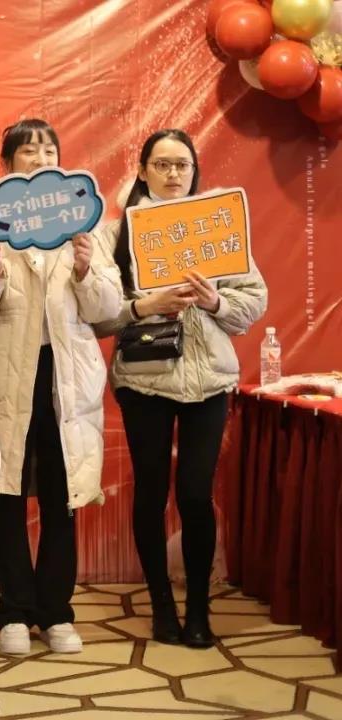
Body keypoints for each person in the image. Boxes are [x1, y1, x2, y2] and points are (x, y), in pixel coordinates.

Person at [93, 129, 267, 647]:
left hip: (208, 381)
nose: (173, 174)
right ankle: (162, 607)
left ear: (194, 170)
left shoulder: (216, 226)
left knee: (194, 494)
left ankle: (197, 611)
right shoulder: (116, 235)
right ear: (142, 170)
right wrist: (144, 306)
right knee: (151, 493)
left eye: (182, 165)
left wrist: (215, 302)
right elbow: (96, 316)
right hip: (144, 381)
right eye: (162, 164)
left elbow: (253, 300)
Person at [0, 118, 121, 655]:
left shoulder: (85, 222)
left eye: (48, 149)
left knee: (62, 493)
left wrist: (85, 270)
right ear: (7, 164)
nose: (39, 158)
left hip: (66, 380)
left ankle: (56, 612)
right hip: (7, 377)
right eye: (27, 150)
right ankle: (12, 611)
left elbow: (107, 309)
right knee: (5, 494)